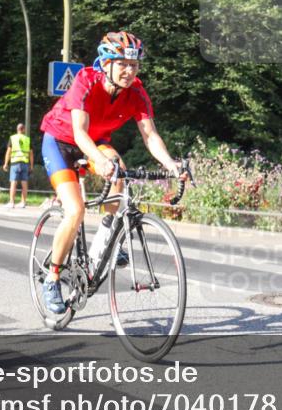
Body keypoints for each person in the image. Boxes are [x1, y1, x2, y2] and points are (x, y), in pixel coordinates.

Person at [38, 31, 185, 314]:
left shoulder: (137, 93)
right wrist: (99, 161)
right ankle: (52, 277)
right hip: (61, 142)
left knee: (120, 171)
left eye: (134, 65)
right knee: (75, 211)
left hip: (96, 142)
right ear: (106, 63)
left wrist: (171, 164)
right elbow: (79, 134)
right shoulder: (85, 81)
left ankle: (108, 239)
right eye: (122, 64)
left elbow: (150, 136)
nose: (129, 71)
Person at [2, 123, 33, 208]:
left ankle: (12, 203)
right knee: (24, 183)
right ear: (23, 130)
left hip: (15, 163)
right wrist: (31, 166)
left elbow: (9, 151)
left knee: (13, 182)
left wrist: (5, 163)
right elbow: (31, 154)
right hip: (25, 163)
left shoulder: (13, 138)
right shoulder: (27, 139)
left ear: (17, 129)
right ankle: (23, 202)